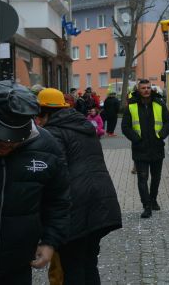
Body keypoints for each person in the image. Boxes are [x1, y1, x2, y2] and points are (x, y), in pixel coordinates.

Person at [0, 80, 70, 283]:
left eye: (14, 139)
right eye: (0, 138)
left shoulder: (48, 147)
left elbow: (58, 201)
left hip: (16, 267)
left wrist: (50, 241)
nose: (6, 145)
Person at [36, 88, 122, 283]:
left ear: (45, 113)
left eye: (38, 116)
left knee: (72, 266)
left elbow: (57, 175)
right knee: (89, 262)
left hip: (75, 205)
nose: (37, 121)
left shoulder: (53, 132)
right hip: (101, 201)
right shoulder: (83, 125)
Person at [122, 79, 169, 219]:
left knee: (156, 178)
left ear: (151, 89)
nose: (146, 90)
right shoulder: (131, 105)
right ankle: (146, 206)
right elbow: (125, 127)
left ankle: (153, 200)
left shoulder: (159, 103)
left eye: (148, 87)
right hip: (140, 149)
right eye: (143, 88)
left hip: (157, 147)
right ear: (138, 90)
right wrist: (136, 139)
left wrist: (161, 135)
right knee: (142, 178)